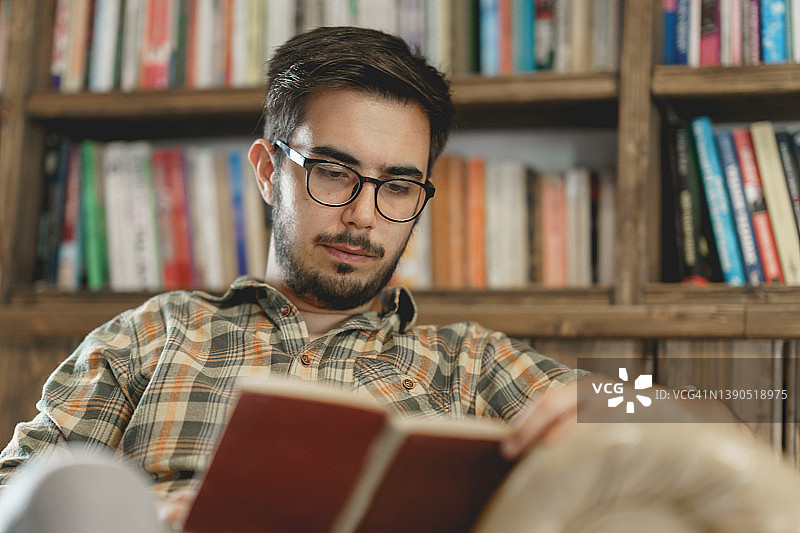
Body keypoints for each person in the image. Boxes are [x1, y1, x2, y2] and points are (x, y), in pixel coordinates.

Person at [0, 26, 736, 531]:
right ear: (269, 171)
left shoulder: (470, 361)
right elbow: (16, 495)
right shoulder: (153, 335)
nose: (362, 216)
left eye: (398, 186)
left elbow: (711, 425)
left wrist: (633, 407)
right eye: (333, 171)